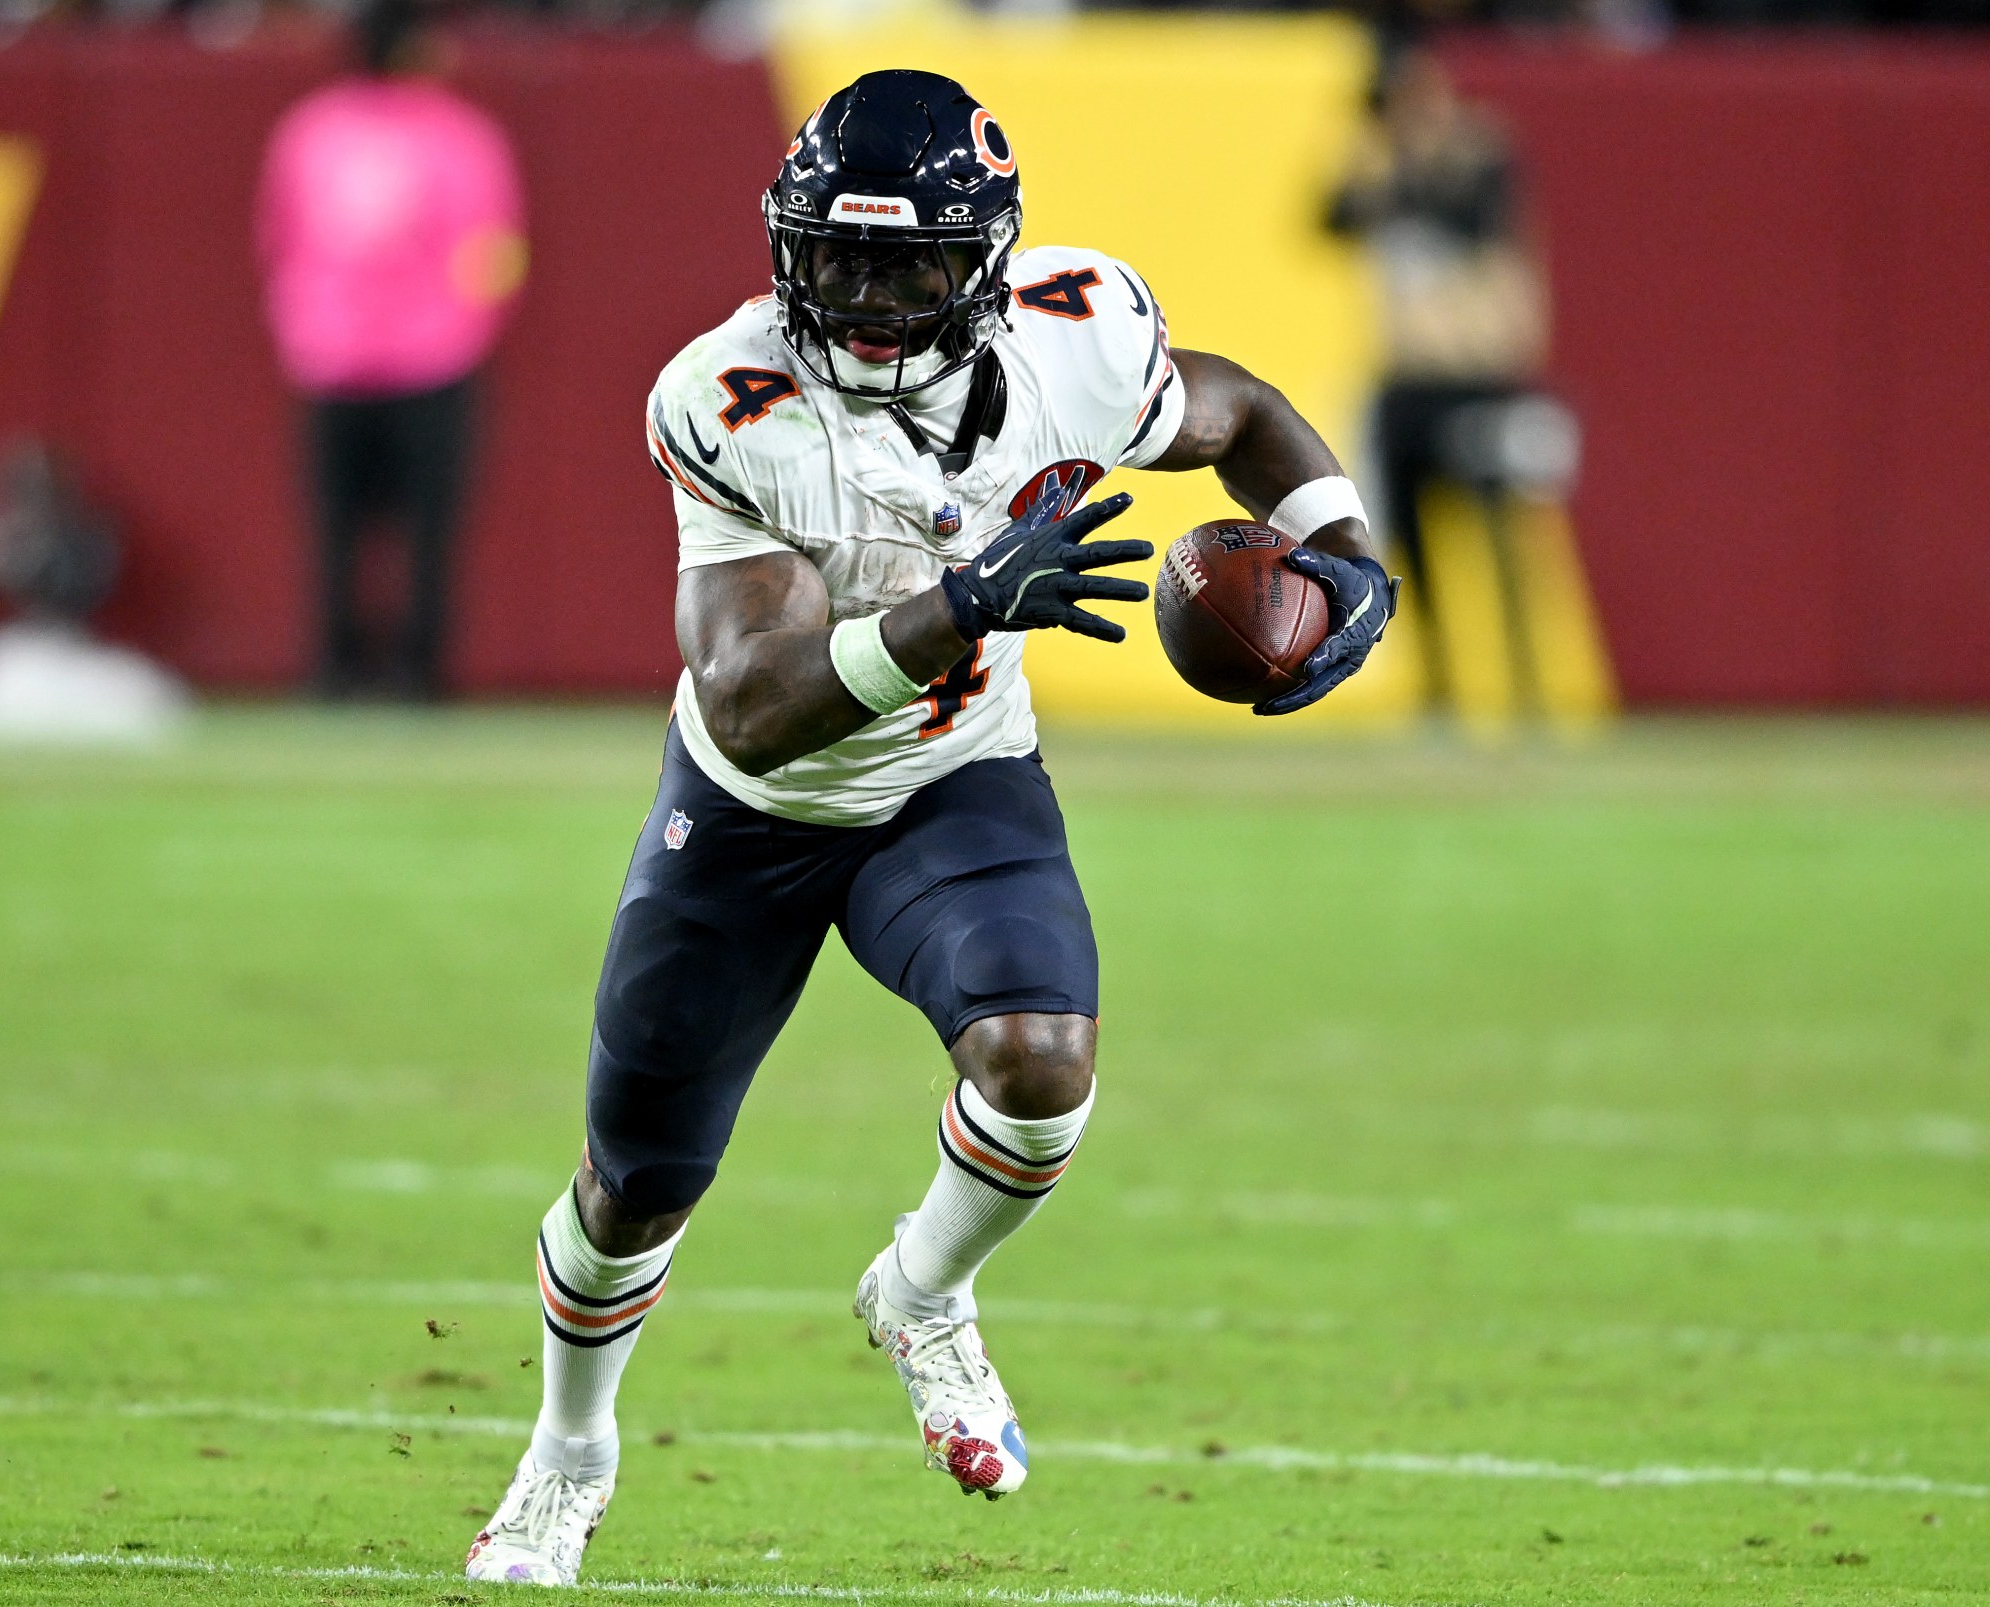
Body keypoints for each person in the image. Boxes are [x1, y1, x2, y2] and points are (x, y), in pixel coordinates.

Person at [463, 70, 1398, 1586]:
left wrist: (1345, 557)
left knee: (1042, 1062)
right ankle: (569, 1447)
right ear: (788, 245)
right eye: (838, 253)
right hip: (755, 810)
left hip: (955, 780)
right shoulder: (729, 393)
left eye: (910, 262)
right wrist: (962, 598)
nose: (870, 294)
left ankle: (922, 1290)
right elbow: (759, 701)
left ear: (988, 263)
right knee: (637, 1177)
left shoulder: (1073, 339)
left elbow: (1241, 411)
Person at [256, 0, 525, 699]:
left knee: (335, 527)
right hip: (434, 357)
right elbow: (492, 248)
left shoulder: (310, 129)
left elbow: (278, 240)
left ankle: (335, 670)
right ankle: (417, 674)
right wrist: (471, 325)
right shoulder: (461, 134)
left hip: (330, 353)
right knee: (430, 529)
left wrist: (303, 326)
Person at [1327, 47, 1549, 703]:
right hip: (1407, 383)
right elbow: (1325, 215)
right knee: (1412, 545)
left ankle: (1524, 686)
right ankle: (1442, 688)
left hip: (1476, 378)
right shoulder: (1386, 181)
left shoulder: (1476, 165)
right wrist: (1378, 158)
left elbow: (1484, 222)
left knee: (1500, 534)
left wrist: (1436, 148)